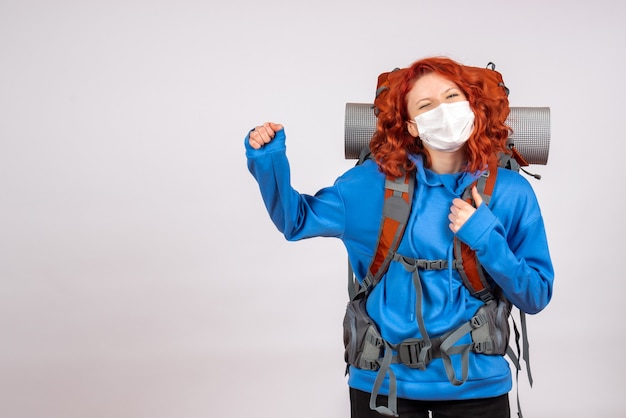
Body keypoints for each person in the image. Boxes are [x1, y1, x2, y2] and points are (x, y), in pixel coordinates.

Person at [244, 56, 554, 418]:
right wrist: (268, 160)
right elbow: (295, 220)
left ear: (472, 104)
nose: (444, 110)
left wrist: (486, 236)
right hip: (382, 386)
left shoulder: (511, 192)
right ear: (411, 125)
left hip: (478, 388)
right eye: (426, 105)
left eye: (453, 96)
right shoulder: (369, 186)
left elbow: (535, 295)